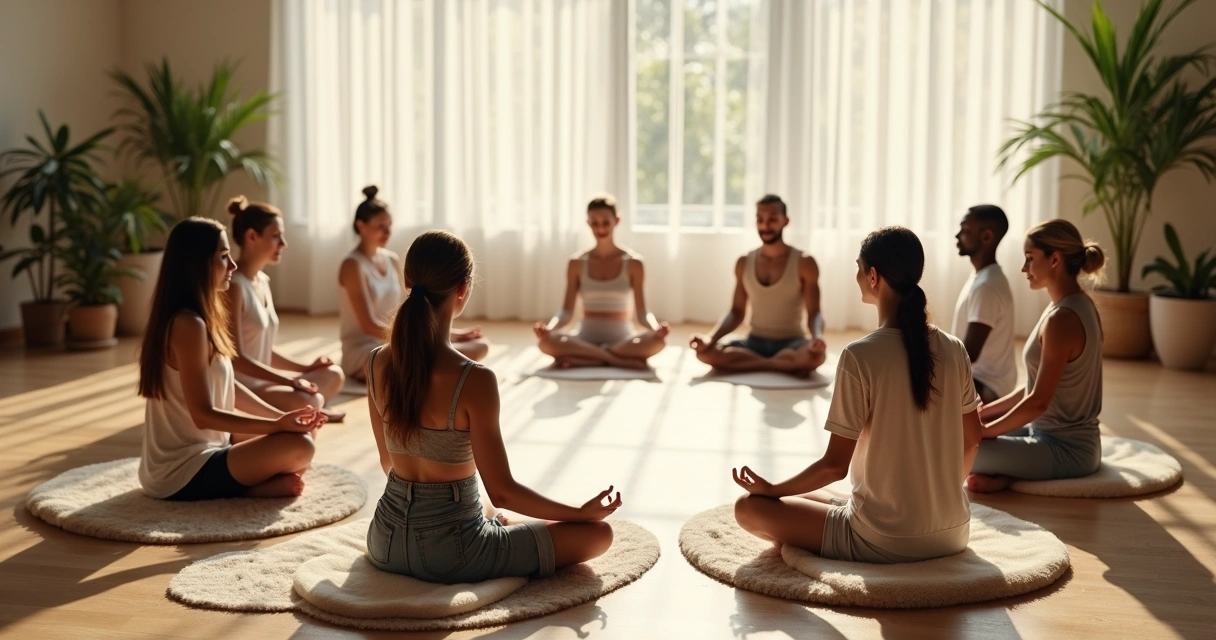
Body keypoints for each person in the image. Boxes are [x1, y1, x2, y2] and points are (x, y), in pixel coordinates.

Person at [365, 230, 620, 583]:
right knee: (598, 535)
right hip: (452, 554)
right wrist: (578, 513)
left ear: (408, 282)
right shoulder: (474, 379)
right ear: (462, 289)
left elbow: (388, 462)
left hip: (384, 542)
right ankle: (498, 528)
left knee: (483, 505)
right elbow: (503, 491)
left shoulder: (377, 361)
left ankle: (494, 523)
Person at [732, 226, 983, 563]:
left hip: (884, 539)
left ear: (873, 276)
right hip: (954, 532)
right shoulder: (955, 349)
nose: (857, 275)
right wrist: (937, 497)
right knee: (827, 497)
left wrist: (772, 490)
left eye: (858, 267)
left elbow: (835, 466)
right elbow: (972, 440)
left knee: (749, 508)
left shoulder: (859, 356)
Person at [137, 218, 326, 501]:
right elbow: (203, 416)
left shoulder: (203, 318)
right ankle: (249, 490)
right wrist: (277, 426)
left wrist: (280, 418)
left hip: (214, 450)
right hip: (181, 472)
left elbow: (229, 386)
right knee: (301, 447)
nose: (233, 266)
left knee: (302, 439)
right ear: (196, 264)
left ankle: (250, 483)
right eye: (224, 257)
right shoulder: (187, 325)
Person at [967, 219, 1105, 493]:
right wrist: (984, 413)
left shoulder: (1062, 319)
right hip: (1049, 437)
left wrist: (986, 431)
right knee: (964, 439)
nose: (1023, 268)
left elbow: (1038, 402)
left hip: (1066, 450)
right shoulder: (1073, 304)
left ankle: (1012, 476)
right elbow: (1035, 386)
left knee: (958, 449)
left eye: (1030, 258)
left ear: (1055, 259)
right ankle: (1011, 477)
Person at [339, 186, 488, 381]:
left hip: (397, 342)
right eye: (380, 226)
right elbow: (368, 326)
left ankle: (424, 365)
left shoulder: (391, 259)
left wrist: (454, 334)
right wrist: (413, 343)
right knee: (408, 362)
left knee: (480, 346)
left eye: (390, 225)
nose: (387, 232)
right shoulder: (352, 265)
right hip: (366, 349)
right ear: (361, 226)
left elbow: (412, 307)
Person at [224, 196, 347, 422]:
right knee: (308, 400)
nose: (284, 243)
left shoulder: (262, 280)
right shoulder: (233, 287)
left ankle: (312, 410)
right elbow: (236, 358)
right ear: (252, 236)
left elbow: (264, 350)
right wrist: (289, 381)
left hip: (267, 384)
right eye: (276, 236)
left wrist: (306, 368)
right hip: (243, 391)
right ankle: (312, 410)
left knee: (333, 374)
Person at [690, 194, 826, 376]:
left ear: (785, 221)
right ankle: (778, 365)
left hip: (792, 342)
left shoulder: (805, 262)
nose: (765, 225)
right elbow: (736, 312)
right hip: (754, 342)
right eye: (760, 220)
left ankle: (754, 364)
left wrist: (817, 337)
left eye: (772, 219)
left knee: (817, 357)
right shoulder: (744, 262)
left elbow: (815, 313)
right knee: (704, 353)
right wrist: (710, 338)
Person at [533, 195, 670, 369]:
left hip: (622, 339)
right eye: (595, 223)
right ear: (588, 223)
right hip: (585, 337)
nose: (601, 228)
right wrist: (549, 329)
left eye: (606, 222)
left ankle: (588, 359)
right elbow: (565, 312)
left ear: (617, 221)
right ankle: (615, 360)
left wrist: (656, 329)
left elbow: (643, 313)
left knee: (657, 342)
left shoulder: (634, 263)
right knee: (546, 342)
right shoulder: (576, 263)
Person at [952, 204, 1018, 402]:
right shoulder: (983, 276)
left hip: (988, 386)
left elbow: (969, 354)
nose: (958, 235)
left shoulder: (987, 286)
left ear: (987, 237)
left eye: (965, 230)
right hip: (979, 378)